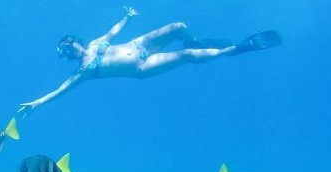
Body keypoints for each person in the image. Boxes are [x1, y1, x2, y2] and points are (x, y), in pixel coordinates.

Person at [17, 6, 281, 118]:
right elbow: (60, 91)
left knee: (179, 26)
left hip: (139, 45)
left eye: (66, 46)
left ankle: (194, 41)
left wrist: (128, 18)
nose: (67, 52)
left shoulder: (96, 43)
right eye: (63, 53)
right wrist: (37, 102)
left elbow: (113, 32)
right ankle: (234, 49)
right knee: (186, 57)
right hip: (142, 67)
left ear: (75, 41)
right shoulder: (83, 72)